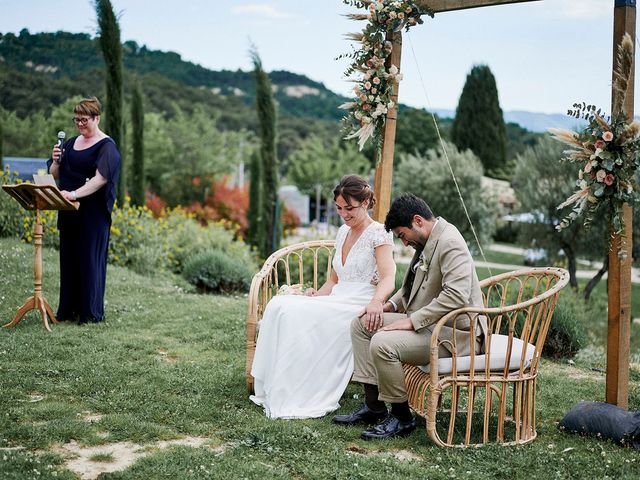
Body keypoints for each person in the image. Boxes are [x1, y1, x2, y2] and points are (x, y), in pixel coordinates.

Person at [332, 193, 487, 440]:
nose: (404, 243)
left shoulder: (450, 242)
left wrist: (411, 321)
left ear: (418, 221)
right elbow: (409, 288)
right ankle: (374, 407)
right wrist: (389, 307)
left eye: (403, 235)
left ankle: (402, 419)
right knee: (362, 325)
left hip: (455, 334)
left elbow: (456, 296)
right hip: (430, 325)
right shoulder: (427, 240)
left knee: (383, 344)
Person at [250, 175, 396, 419]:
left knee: (291, 312)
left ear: (367, 202)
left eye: (349, 208)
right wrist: (317, 296)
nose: (344, 214)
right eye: (339, 208)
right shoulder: (342, 232)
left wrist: (376, 302)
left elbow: (389, 276)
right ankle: (274, 384)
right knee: (280, 304)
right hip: (336, 298)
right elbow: (333, 280)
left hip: (358, 303)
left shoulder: (379, 234)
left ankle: (295, 390)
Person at [48, 96, 121, 324]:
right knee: (69, 260)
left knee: (89, 260)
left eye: (84, 120)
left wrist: (75, 194)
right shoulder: (69, 143)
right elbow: (54, 174)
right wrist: (56, 160)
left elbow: (100, 180)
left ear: (96, 118)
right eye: (76, 120)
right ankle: (68, 310)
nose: (79, 124)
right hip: (68, 209)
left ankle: (89, 314)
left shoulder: (107, 147)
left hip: (93, 214)